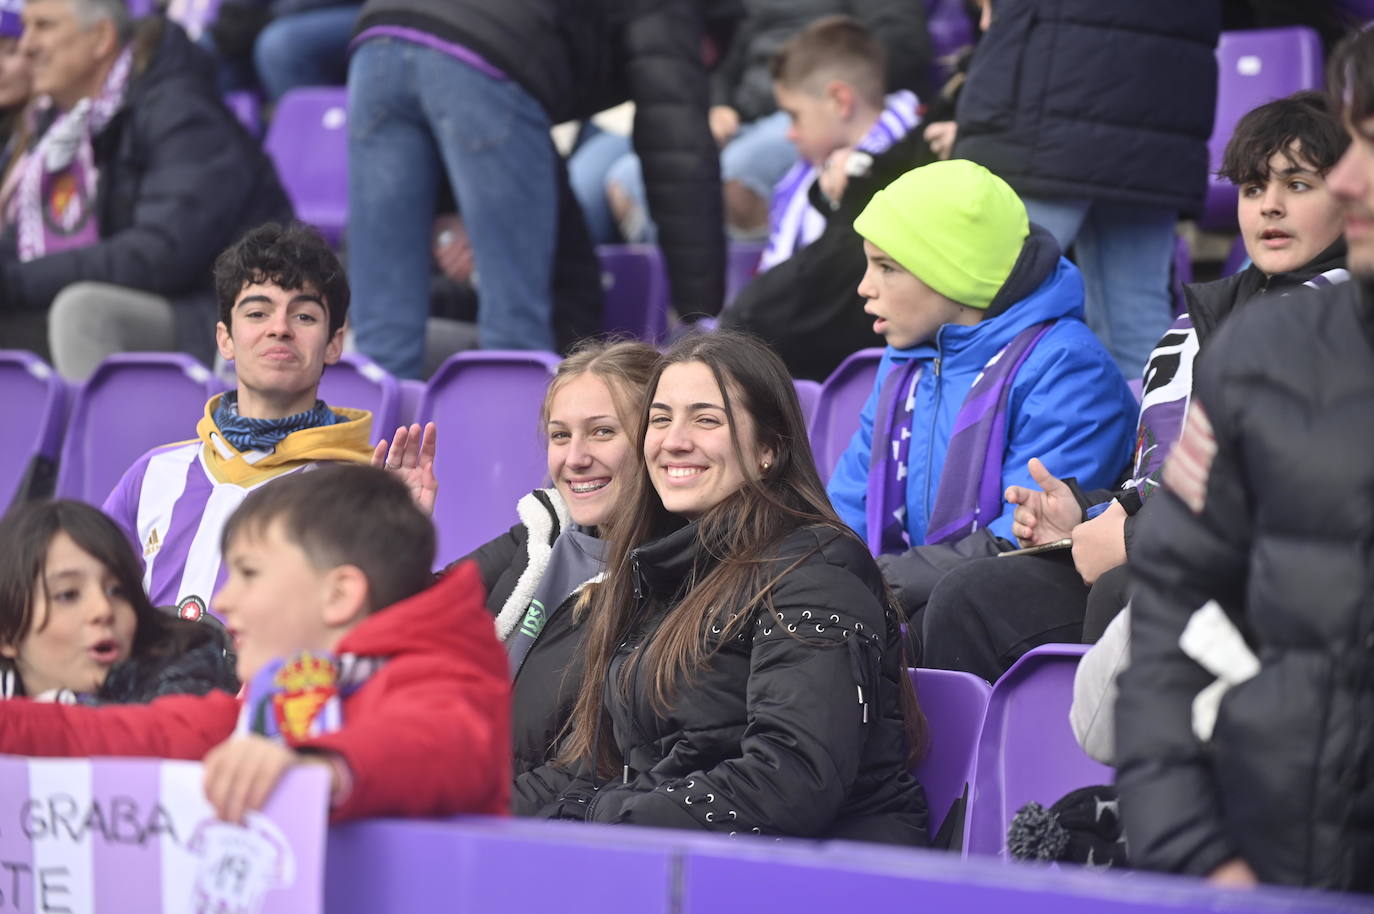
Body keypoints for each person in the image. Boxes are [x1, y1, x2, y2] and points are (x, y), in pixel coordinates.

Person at [923, 91, 1351, 684]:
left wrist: (1133, 539)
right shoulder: (1194, 328)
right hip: (1161, 550)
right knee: (970, 597)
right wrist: (1086, 513)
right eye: (1253, 189)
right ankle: (983, 780)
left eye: (1297, 186)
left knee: (1128, 593)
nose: (1269, 207)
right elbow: (1155, 480)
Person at [1115, 29, 1374, 890]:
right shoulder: (1265, 346)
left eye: (1369, 144)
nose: (1346, 179)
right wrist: (1193, 848)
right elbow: (1172, 608)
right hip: (1271, 858)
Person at [520, 331, 928, 846]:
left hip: (821, 873)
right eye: (661, 419)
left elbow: (792, 778)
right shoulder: (662, 568)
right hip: (686, 855)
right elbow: (593, 767)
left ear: (768, 450)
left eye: (706, 419)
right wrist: (468, 807)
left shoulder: (816, 567)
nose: (673, 440)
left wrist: (602, 821)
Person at [0, 465, 511, 824]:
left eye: (247, 573)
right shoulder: (270, 700)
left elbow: (435, 748)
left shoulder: (447, 683)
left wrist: (319, 768)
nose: (224, 598)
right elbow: (126, 734)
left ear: (339, 595)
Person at [346, 0, 735, 379]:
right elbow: (677, 151)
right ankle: (505, 441)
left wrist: (452, 207)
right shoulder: (674, 13)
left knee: (382, 339)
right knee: (514, 331)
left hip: (379, 37)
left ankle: (375, 444)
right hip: (484, 59)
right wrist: (699, 313)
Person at [825, 160, 1135, 621]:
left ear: (957, 274)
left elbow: (1022, 533)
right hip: (903, 594)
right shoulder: (905, 360)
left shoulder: (1068, 366)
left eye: (887, 267)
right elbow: (848, 501)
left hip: (997, 616)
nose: (864, 287)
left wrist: (870, 583)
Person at [377, 338, 660, 785]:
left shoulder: (666, 576)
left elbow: (581, 777)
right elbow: (408, 626)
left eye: (603, 431)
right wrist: (395, 542)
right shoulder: (539, 534)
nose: (575, 458)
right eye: (560, 435)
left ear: (654, 439)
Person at [0, 0, 292, 377]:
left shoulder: (180, 111)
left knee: (83, 311)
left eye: (44, 26)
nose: (27, 45)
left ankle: (112, 437)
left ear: (101, 38)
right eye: (26, 27)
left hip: (227, 313)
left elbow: (161, 255)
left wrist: (15, 282)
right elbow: (29, 238)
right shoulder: (68, 124)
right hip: (153, 299)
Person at [102, 222, 372, 617]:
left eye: (304, 317)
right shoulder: (152, 475)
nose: (279, 329)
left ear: (334, 343)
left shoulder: (355, 490)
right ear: (225, 338)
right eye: (258, 312)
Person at [940, 0, 1220, 377]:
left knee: (984, 307)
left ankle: (969, 435)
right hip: (1160, 90)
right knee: (1135, 319)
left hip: (1050, 91)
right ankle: (1153, 435)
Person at [583, 0, 931, 244]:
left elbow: (899, 41)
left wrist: (822, 87)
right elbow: (735, 54)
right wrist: (717, 106)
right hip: (746, 112)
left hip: (817, 105)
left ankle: (728, 306)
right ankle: (674, 310)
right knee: (629, 177)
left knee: (736, 171)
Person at [721, 14, 928, 380]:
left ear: (839, 100)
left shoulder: (911, 166)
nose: (790, 134)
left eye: (794, 116)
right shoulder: (805, 173)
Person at [0, 498, 236, 703]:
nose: (103, 610)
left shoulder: (187, 658)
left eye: (117, 591)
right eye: (68, 595)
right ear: (7, 634)